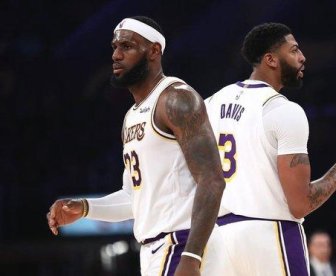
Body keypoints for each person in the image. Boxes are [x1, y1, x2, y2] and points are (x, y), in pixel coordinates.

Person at [46, 16, 226, 276]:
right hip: (156, 249)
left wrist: (192, 255)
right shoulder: (132, 115)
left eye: (127, 47)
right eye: (115, 47)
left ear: (154, 51)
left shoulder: (176, 99)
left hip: (182, 244)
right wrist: (86, 207)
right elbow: (134, 198)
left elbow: (212, 179)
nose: (116, 55)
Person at [205, 22, 336, 276]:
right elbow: (300, 204)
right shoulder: (283, 110)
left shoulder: (211, 103)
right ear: (270, 59)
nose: (303, 57)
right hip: (269, 235)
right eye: (294, 50)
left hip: (218, 240)